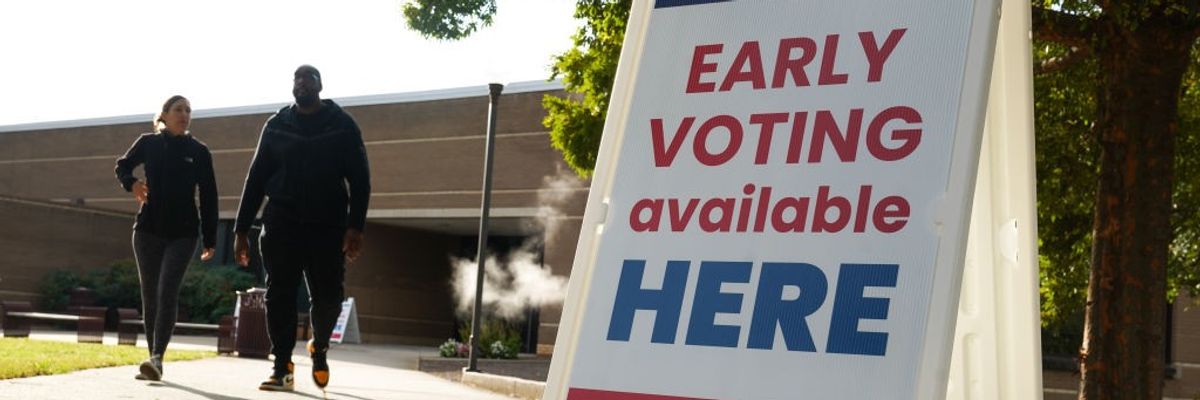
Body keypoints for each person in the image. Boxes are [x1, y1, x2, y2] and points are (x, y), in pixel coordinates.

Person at [233, 65, 371, 392]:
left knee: (329, 297)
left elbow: (361, 180)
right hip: (282, 222)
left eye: (308, 78)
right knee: (279, 294)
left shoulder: (342, 126)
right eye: (297, 78)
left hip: (328, 225)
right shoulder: (277, 126)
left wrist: (356, 227)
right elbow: (255, 179)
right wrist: (240, 230)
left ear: (320, 85)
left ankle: (318, 346)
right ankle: (282, 366)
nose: (302, 83)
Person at [114, 95, 218, 382]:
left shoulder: (199, 151)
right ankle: (154, 358)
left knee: (167, 291)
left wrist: (210, 237)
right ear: (164, 115)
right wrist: (132, 183)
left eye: (188, 110)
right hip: (147, 230)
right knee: (150, 294)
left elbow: (209, 195)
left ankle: (157, 356)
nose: (184, 114)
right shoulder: (148, 143)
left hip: (183, 233)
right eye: (178, 109)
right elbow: (122, 165)